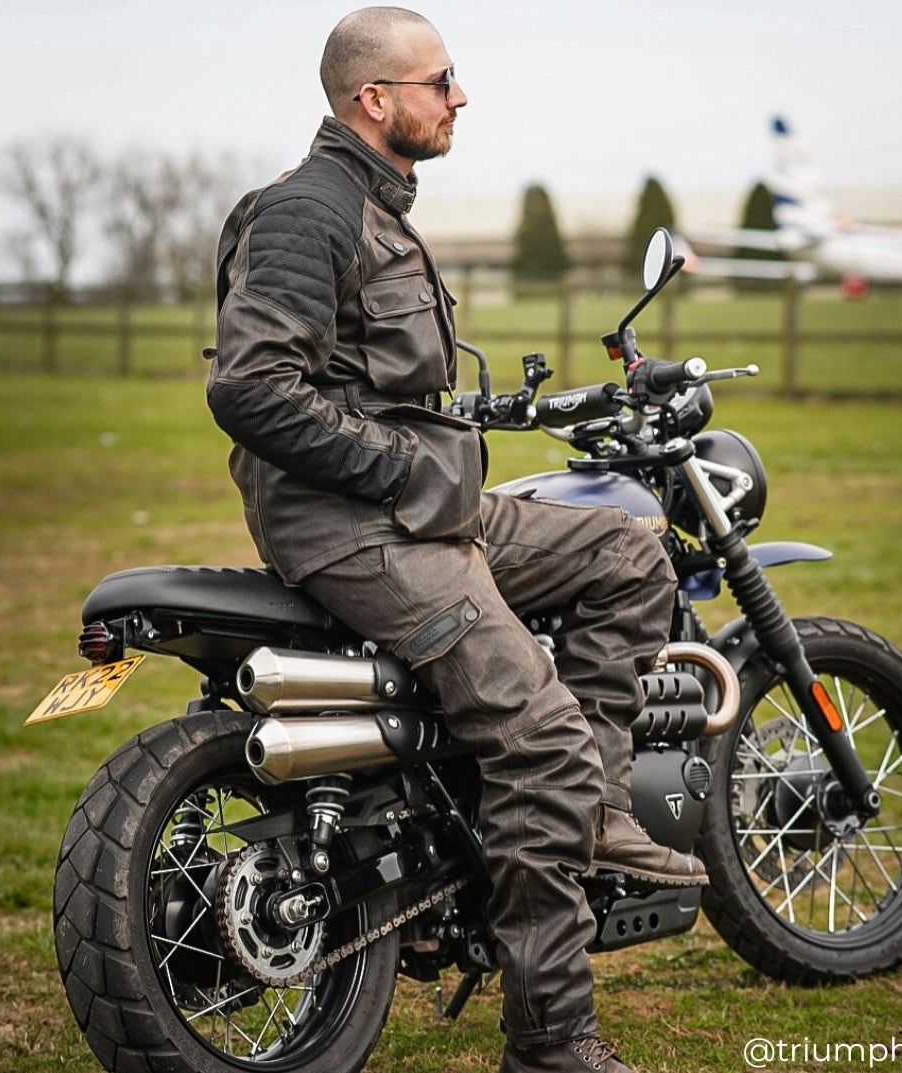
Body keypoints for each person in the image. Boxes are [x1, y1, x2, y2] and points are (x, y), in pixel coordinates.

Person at [206, 8, 707, 1072]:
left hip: (423, 507)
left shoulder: (378, 209)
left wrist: (455, 440)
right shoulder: (309, 212)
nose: (459, 95)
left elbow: (372, 384)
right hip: (356, 526)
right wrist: (398, 470)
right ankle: (552, 1038)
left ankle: (595, 813)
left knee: (627, 552)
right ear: (371, 100)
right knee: (540, 738)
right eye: (439, 79)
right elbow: (252, 388)